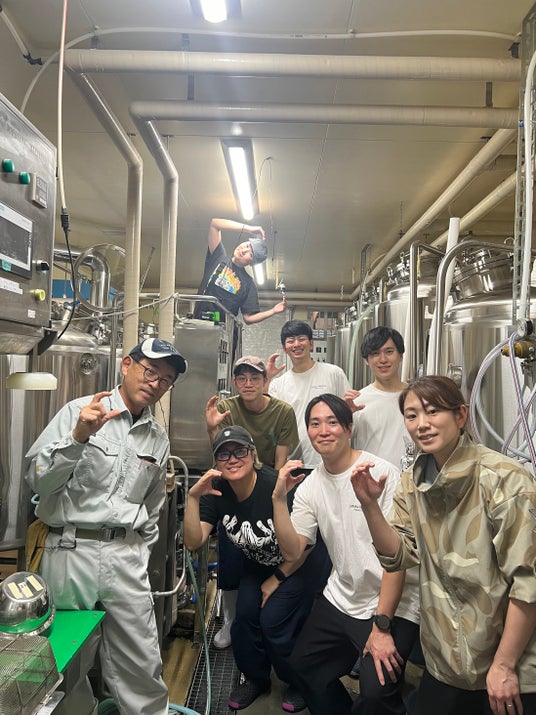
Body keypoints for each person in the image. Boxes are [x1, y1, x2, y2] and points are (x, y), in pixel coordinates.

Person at [351, 375, 536, 715]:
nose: (422, 424)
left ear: (461, 415)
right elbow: (398, 556)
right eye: (411, 415)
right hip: (445, 659)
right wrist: (369, 506)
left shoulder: (505, 480)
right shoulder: (412, 482)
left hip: (510, 662)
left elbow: (528, 583)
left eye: (433, 411)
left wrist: (505, 665)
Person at [25, 338, 187, 715]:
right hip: (69, 550)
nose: (156, 384)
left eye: (166, 380)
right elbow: (39, 480)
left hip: (124, 555)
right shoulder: (78, 412)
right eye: (150, 371)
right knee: (63, 660)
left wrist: (137, 553)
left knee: (142, 660)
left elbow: (152, 507)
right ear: (126, 365)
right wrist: (79, 437)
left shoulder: (157, 438)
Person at [272, 393, 420, 715]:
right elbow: (293, 550)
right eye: (315, 423)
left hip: (393, 601)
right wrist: (278, 500)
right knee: (303, 666)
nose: (323, 430)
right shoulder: (310, 486)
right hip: (343, 595)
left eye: (332, 422)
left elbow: (398, 560)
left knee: (376, 694)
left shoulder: (380, 473)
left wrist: (382, 627)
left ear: (349, 428)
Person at [184, 426, 330, 712]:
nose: (232, 459)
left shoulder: (277, 487)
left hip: (300, 564)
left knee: (275, 622)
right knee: (245, 618)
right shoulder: (217, 491)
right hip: (258, 563)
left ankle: (300, 681)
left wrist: (277, 578)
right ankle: (255, 678)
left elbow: (305, 547)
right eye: (224, 454)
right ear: (216, 461)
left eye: (239, 451)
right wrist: (192, 498)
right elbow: (193, 541)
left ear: (253, 455)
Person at [205, 354, 300, 653]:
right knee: (230, 547)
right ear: (235, 382)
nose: (248, 384)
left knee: (274, 549)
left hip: (268, 488)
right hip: (234, 488)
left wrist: (275, 495)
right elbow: (222, 453)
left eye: (255, 378)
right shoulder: (227, 407)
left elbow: (281, 462)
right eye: (242, 378)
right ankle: (230, 619)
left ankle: (270, 609)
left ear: (264, 381)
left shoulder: (283, 412)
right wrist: (211, 429)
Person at [268, 320, 351, 471]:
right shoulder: (277, 385)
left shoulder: (333, 373)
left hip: (333, 461)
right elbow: (272, 425)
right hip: (294, 462)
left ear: (311, 344)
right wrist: (266, 379)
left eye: (301, 339)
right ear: (284, 349)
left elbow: (347, 413)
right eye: (290, 341)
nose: (296, 344)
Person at [194, 217, 286, 324]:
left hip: (223, 331)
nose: (244, 250)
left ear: (252, 263)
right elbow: (215, 224)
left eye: (250, 254)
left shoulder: (248, 284)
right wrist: (249, 228)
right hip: (197, 324)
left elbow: (248, 318)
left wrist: (273, 311)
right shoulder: (218, 257)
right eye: (247, 245)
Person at [346, 326, 412, 469]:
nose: (383, 359)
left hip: (411, 480)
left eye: (389, 352)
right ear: (366, 360)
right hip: (369, 479)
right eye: (375, 353)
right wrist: (343, 417)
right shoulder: (357, 403)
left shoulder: (416, 397)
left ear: (401, 355)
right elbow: (342, 450)